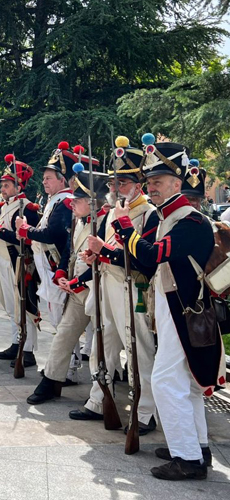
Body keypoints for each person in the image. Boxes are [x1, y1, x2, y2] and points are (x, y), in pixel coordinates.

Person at [105, 137, 223, 480]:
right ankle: (196, 448)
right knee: (184, 383)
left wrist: (124, 226)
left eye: (157, 181)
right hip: (175, 308)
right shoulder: (171, 218)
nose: (150, 187)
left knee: (166, 380)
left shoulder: (191, 222)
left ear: (177, 183)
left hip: (185, 309)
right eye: (149, 181)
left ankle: (186, 458)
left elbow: (150, 255)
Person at [73, 136, 160, 432]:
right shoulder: (113, 210)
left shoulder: (149, 214)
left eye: (121, 183)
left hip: (131, 288)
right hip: (106, 284)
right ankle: (98, 400)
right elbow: (109, 248)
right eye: (113, 183)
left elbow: (143, 261)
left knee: (139, 350)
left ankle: (146, 411)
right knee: (101, 346)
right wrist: (94, 254)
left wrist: (104, 252)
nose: (114, 188)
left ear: (139, 184)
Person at [27, 169, 109, 404]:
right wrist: (62, 273)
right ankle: (51, 382)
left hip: (100, 293)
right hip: (77, 291)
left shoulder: (106, 222)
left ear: (92, 203)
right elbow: (70, 252)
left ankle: (104, 394)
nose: (72, 205)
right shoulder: (78, 220)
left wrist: (76, 281)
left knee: (105, 347)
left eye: (78, 201)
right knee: (63, 335)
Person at [15, 141, 81, 329]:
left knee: (62, 321)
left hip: (56, 266)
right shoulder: (56, 201)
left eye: (49, 178)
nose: (44, 181)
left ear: (62, 180)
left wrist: (25, 229)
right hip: (50, 267)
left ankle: (72, 358)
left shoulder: (65, 202)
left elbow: (51, 234)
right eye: (44, 178)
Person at [0, 155, 40, 367]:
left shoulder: (28, 208)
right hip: (2, 260)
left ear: (19, 186)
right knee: (10, 305)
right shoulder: (1, 207)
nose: (3, 188)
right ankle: (15, 342)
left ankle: (28, 350)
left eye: (7, 185)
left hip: (19, 262)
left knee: (24, 306)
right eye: (3, 185)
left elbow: (26, 241)